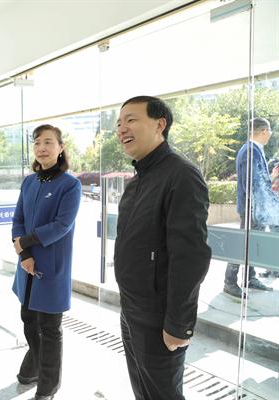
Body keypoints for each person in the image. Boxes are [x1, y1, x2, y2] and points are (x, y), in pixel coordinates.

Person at [114, 96, 211, 400]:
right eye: (119, 123)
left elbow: (190, 257)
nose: (122, 129)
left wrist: (179, 324)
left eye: (131, 120)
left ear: (160, 124)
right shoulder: (138, 180)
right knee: (142, 391)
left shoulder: (181, 175)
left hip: (157, 315)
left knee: (162, 394)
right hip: (131, 308)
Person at [11, 124, 81, 400]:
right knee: (28, 319)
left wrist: (26, 242)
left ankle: (48, 386)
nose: (41, 148)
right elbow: (18, 219)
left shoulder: (70, 185)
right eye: (37, 142)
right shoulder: (29, 182)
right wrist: (24, 254)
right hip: (27, 265)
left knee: (49, 328)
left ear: (61, 148)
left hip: (51, 266)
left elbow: (62, 225)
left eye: (48, 142)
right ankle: (34, 367)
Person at [223, 118, 275, 298]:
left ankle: (250, 278)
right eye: (269, 131)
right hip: (252, 209)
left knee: (251, 244)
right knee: (242, 244)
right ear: (263, 131)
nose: (270, 135)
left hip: (255, 209)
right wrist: (260, 209)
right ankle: (229, 282)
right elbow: (251, 185)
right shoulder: (250, 151)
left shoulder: (254, 149)